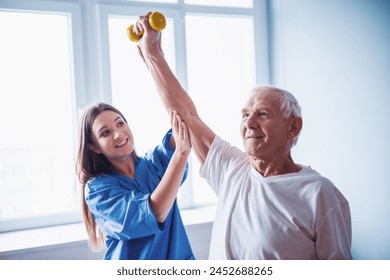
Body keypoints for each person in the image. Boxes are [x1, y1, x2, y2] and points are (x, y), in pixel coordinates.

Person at [132, 12, 352, 260]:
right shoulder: (232, 168)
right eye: (245, 114)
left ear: (293, 128)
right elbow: (186, 116)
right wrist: (153, 54)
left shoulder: (319, 193)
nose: (249, 122)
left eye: (263, 114)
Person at [76, 102, 194, 260]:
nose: (118, 134)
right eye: (105, 133)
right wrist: (181, 153)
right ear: (94, 147)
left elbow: (185, 123)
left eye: (120, 123)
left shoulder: (154, 163)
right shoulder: (98, 191)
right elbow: (156, 212)